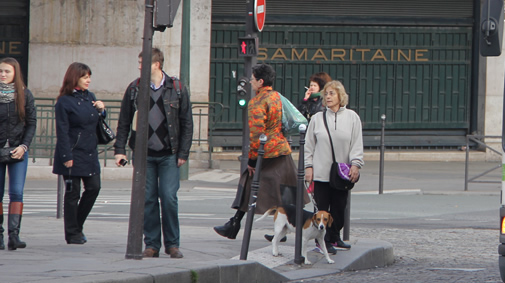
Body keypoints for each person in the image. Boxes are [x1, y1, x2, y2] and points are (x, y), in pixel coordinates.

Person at [114, 48, 193, 259]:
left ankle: (172, 244)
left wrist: (183, 152)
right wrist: (119, 150)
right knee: (148, 199)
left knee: (168, 197)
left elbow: (187, 123)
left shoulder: (177, 88)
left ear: (157, 64)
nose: (139, 67)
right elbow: (123, 122)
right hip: (144, 155)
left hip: (169, 154)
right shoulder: (134, 89)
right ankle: (152, 245)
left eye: (143, 63)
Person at [214, 63, 306, 239]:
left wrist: (252, 161)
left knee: (249, 185)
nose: (250, 81)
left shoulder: (257, 102)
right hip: (282, 150)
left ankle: (235, 225)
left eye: (253, 78)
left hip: (267, 153)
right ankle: (239, 224)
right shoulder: (277, 97)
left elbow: (256, 135)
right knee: (286, 191)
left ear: (261, 81)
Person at [304, 79, 363, 252]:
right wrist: (308, 167)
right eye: (326, 94)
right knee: (321, 208)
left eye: (332, 93)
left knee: (339, 208)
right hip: (321, 171)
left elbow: (356, 143)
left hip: (340, 173)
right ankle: (323, 241)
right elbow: (309, 145)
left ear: (340, 96)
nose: (328, 97)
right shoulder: (317, 119)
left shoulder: (352, 118)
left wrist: (356, 165)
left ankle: (335, 237)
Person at [53, 62, 105, 245]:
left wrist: (101, 110)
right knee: (72, 194)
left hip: (89, 152)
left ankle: (77, 226)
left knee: (94, 188)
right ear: (75, 78)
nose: (88, 80)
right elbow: (62, 130)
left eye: (89, 76)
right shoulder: (64, 101)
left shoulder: (89, 97)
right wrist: (66, 156)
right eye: (85, 77)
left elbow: (94, 123)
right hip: (72, 153)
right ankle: (72, 233)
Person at [0, 58, 36, 250]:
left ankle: (14, 235)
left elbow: (31, 123)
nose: (3, 75)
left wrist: (24, 146)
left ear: (15, 73)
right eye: (0, 71)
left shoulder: (25, 95)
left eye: (7, 71)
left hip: (17, 150)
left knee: (16, 192)